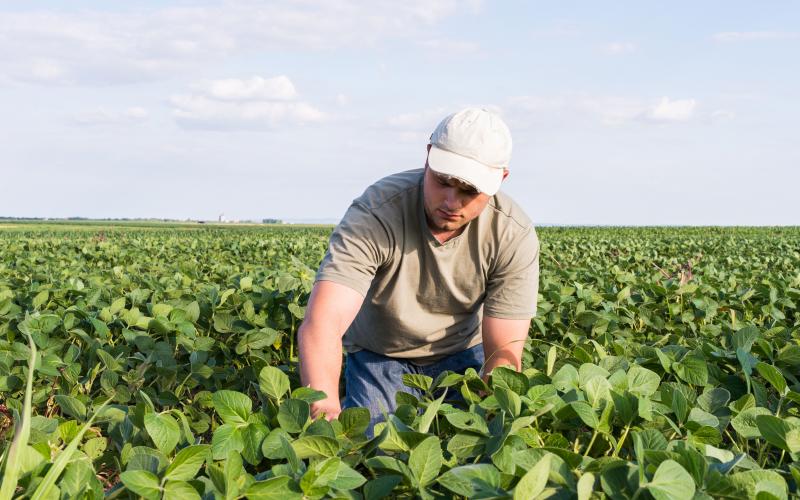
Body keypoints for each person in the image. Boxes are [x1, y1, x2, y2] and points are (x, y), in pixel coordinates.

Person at [298, 108, 539, 431]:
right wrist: (324, 407)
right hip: (381, 353)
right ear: (428, 157)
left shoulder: (512, 232)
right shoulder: (377, 212)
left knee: (472, 453)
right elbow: (323, 322)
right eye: (443, 181)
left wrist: (490, 408)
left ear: (501, 179)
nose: (452, 202)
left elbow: (504, 349)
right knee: (378, 448)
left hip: (462, 353)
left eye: (469, 190)